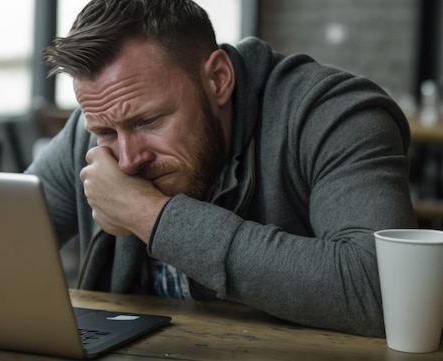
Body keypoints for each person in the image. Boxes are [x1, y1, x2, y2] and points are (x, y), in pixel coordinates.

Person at [27, 0, 417, 337]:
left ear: (218, 79)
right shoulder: (92, 131)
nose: (127, 160)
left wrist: (147, 214)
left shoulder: (333, 116)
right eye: (106, 131)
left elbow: (385, 292)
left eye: (149, 122)